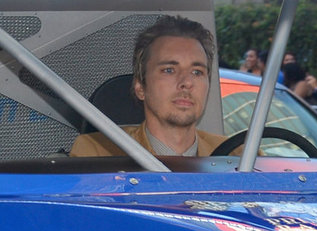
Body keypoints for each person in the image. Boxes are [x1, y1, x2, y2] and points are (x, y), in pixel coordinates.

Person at [70, 15, 226, 158]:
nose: (187, 82)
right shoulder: (97, 152)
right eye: (169, 70)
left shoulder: (232, 155)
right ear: (140, 87)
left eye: (197, 72)